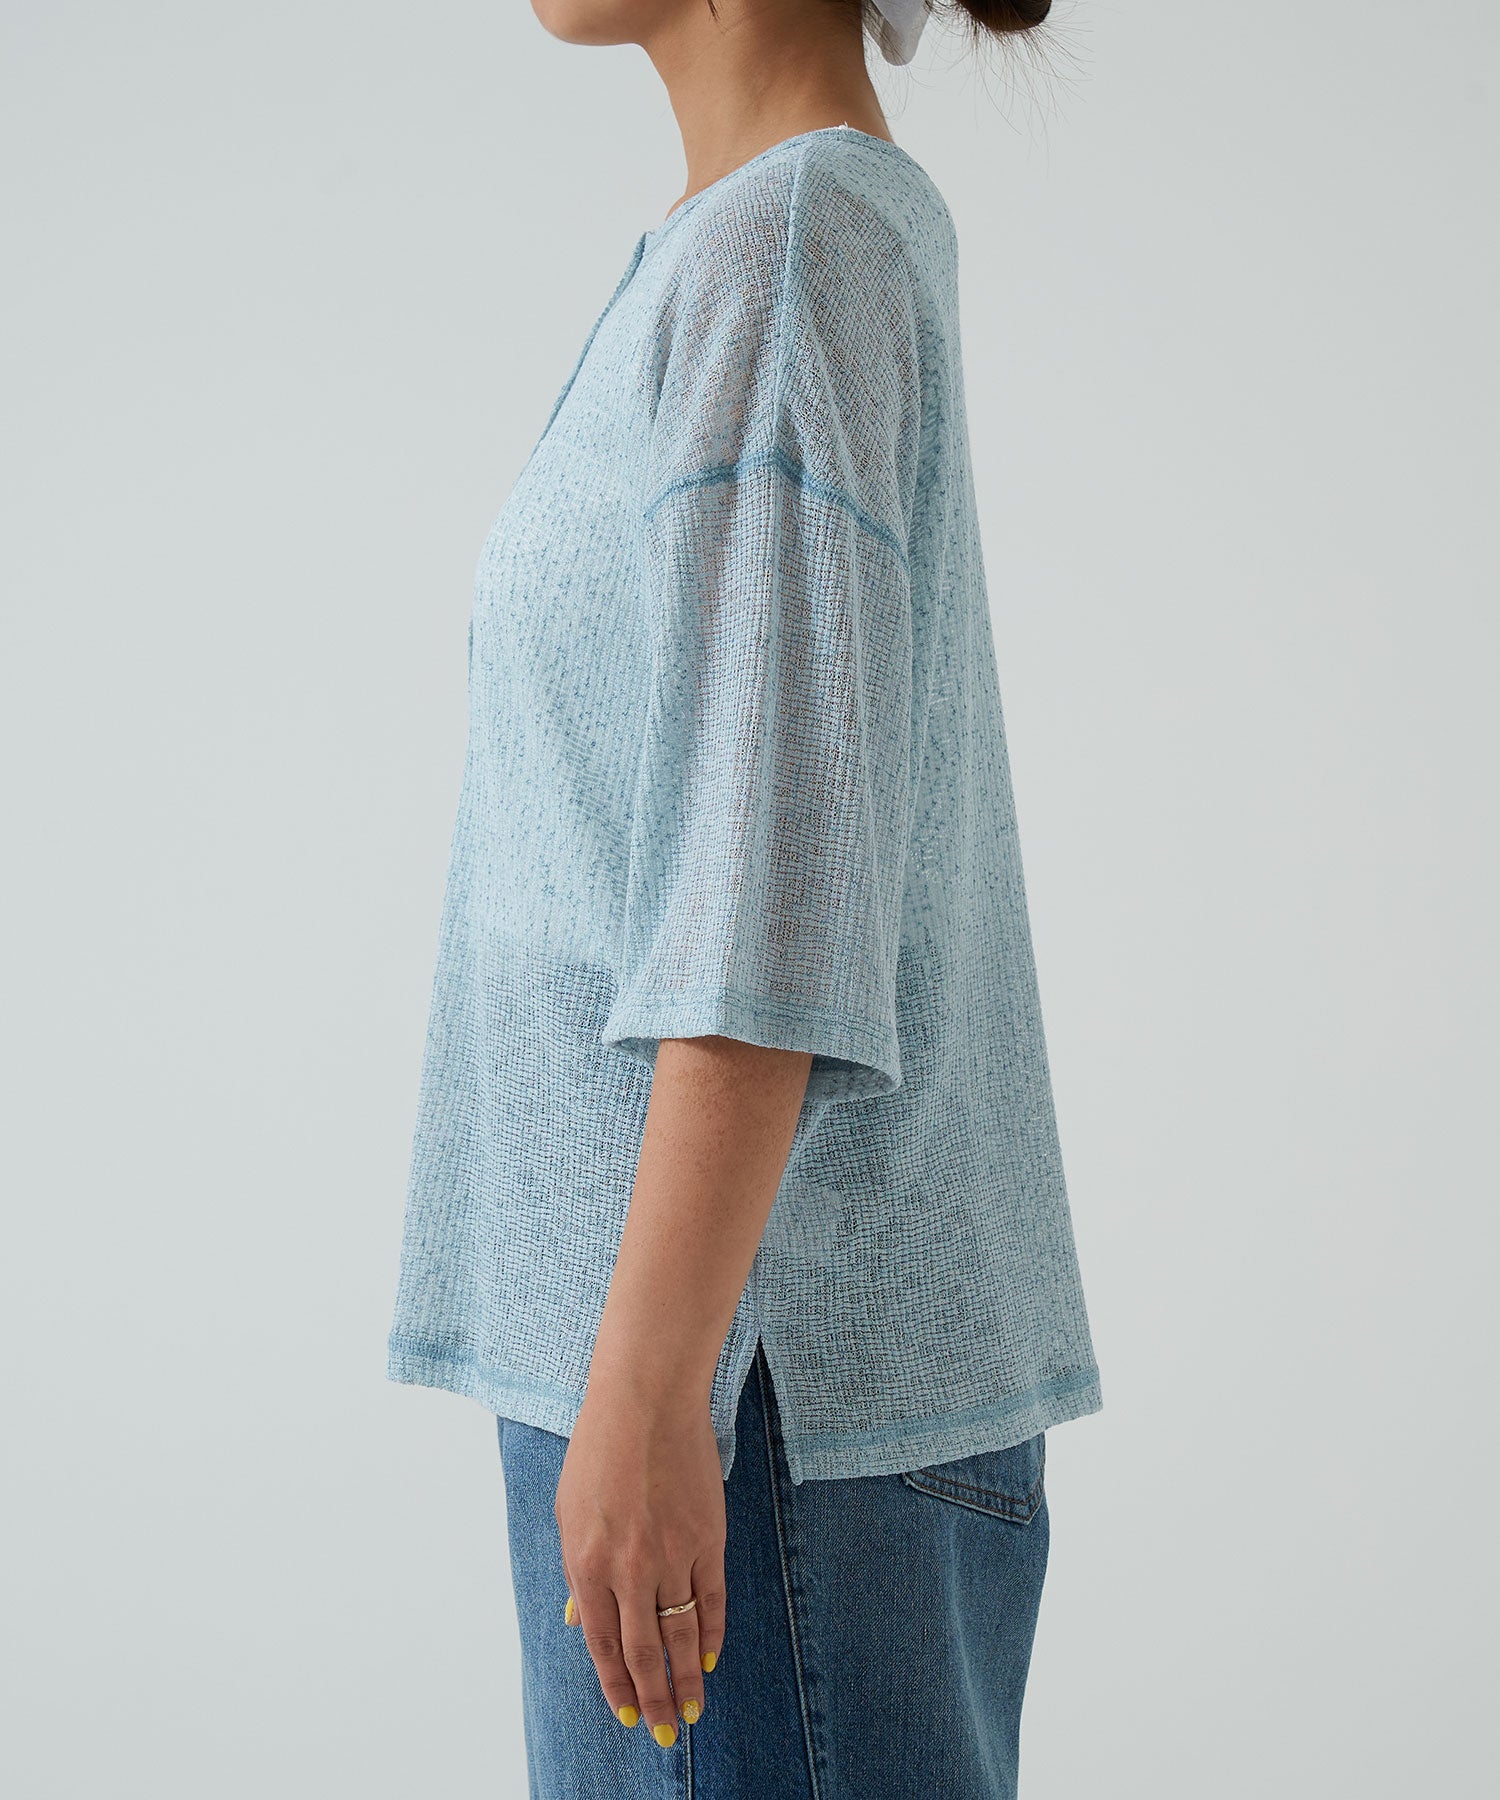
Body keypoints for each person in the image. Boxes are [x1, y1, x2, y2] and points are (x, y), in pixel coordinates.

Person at [386, 2, 1100, 1793]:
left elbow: (767, 877)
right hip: (728, 1380)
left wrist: (652, 1386)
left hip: (745, 1394)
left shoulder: (787, 250)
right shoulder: (760, 243)